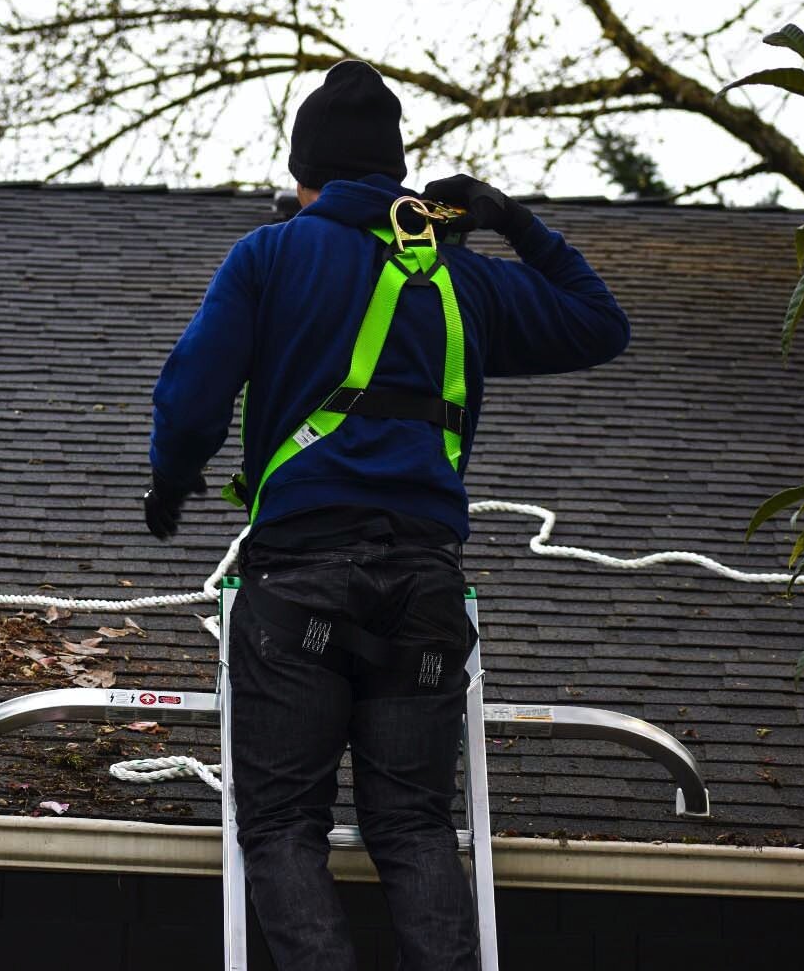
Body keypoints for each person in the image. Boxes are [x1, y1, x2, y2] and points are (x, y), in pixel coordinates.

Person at [143, 60, 630, 970]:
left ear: (304, 176)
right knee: (411, 824)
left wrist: (172, 486)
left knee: (285, 823)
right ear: (397, 173)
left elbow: (191, 398)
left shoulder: (273, 256)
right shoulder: (459, 279)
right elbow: (600, 324)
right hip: (425, 594)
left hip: (301, 587)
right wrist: (508, 219)